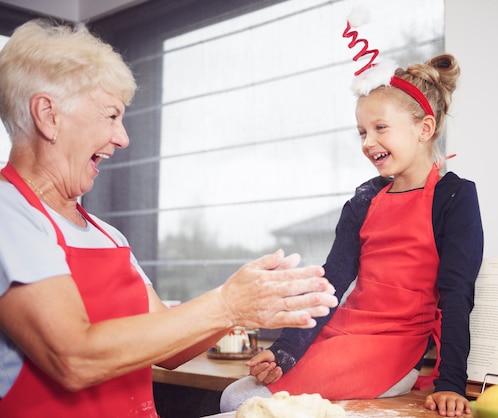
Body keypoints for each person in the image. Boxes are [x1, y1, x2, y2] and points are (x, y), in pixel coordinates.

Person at [0, 19, 339, 417]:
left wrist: (246, 301)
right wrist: (226, 306)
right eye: (110, 116)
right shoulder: (10, 213)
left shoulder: (108, 237)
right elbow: (73, 357)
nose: (123, 137)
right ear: (48, 115)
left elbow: (173, 349)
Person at [220, 50, 483, 417]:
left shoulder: (454, 196)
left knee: (239, 402)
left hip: (393, 349)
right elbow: (332, 282)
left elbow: (457, 294)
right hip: (344, 332)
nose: (367, 142)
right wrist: (285, 349)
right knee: (234, 398)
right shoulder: (364, 199)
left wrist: (452, 384)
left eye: (380, 128)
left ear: (424, 128)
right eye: (362, 131)